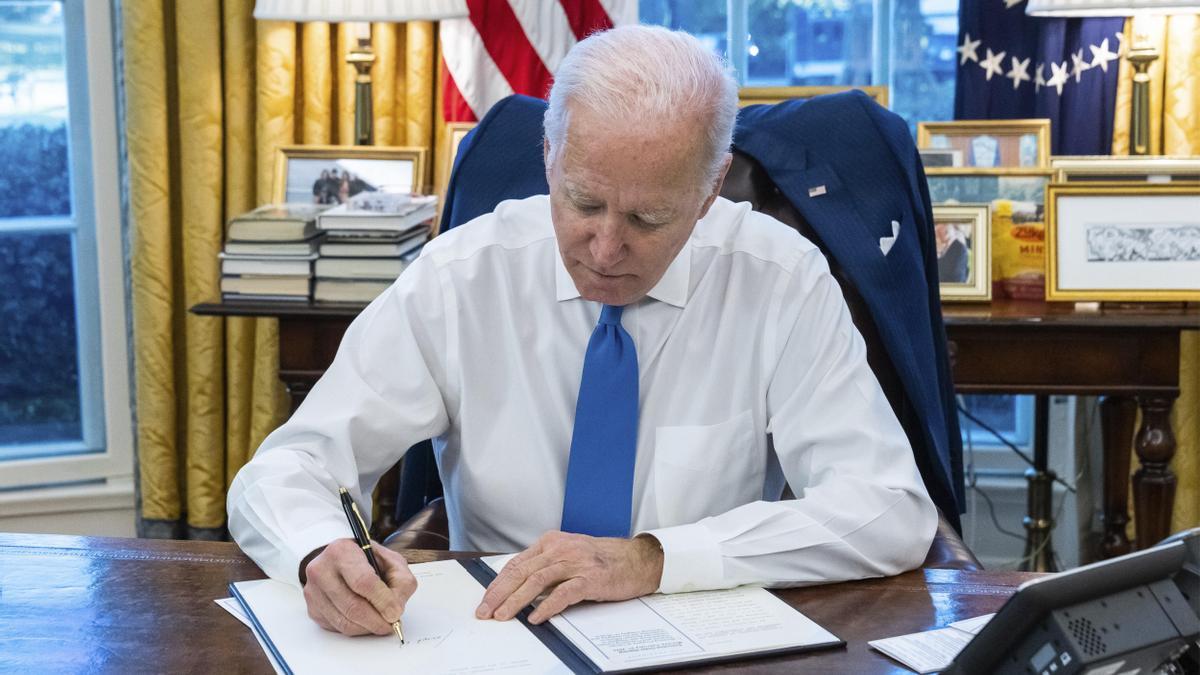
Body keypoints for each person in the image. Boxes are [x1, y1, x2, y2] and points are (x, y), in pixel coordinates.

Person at [227, 24, 936, 639]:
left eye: (648, 219)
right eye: (583, 201)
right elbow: (287, 470)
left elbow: (888, 509)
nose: (603, 249)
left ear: (711, 188)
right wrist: (318, 550)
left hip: (699, 635)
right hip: (491, 637)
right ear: (549, 156)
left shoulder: (780, 280)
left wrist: (655, 558)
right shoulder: (463, 276)